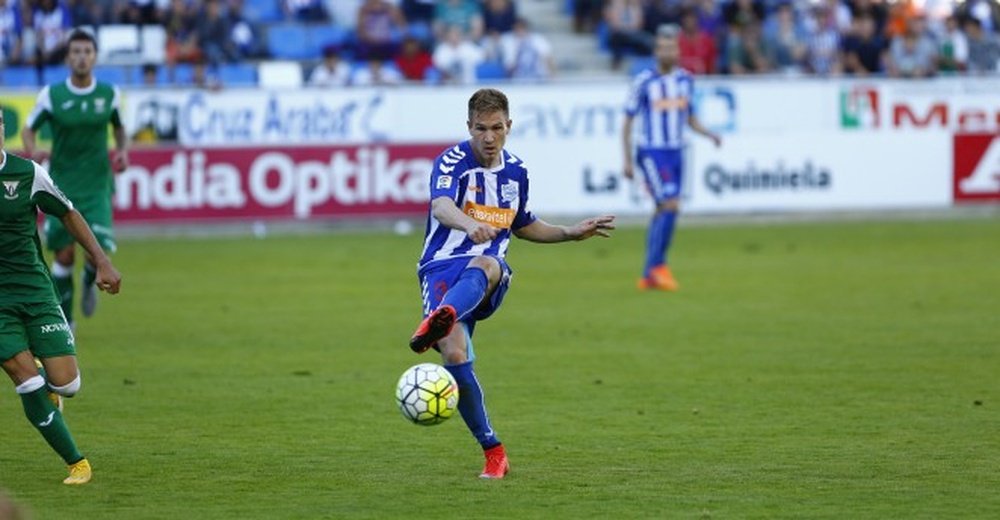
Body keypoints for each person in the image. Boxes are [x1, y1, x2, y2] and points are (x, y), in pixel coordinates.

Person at [408, 88, 615, 479]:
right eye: (482, 128)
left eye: (497, 128)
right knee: (454, 357)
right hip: (440, 268)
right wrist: (470, 223)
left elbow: (523, 225)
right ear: (469, 127)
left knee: (489, 263)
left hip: (485, 274)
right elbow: (441, 206)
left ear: (509, 126)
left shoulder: (516, 172)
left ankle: (444, 315)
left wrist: (570, 232)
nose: (490, 137)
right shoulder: (451, 162)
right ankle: (494, 451)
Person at [0, 108, 123, 485]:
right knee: (25, 377)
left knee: (67, 384)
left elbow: (68, 213)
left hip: (35, 289)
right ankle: (77, 463)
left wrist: (101, 261)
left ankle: (47, 385)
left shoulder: (28, 174)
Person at [21, 29, 129, 330]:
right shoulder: (52, 95)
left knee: (98, 256)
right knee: (65, 254)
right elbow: (28, 129)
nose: (82, 57)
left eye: (87, 51)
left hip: (96, 184)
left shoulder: (109, 94)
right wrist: (32, 150)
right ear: (68, 57)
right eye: (76, 52)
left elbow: (119, 128)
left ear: (94, 57)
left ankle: (88, 278)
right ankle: (67, 324)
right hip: (61, 184)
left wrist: (122, 151)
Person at [621, 25, 720, 291]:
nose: (669, 52)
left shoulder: (686, 80)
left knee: (662, 209)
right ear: (656, 52)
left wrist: (709, 133)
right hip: (652, 152)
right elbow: (627, 122)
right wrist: (627, 160)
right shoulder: (644, 82)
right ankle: (657, 267)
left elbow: (690, 118)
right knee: (670, 204)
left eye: (673, 47)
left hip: (677, 152)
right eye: (664, 48)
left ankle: (648, 273)